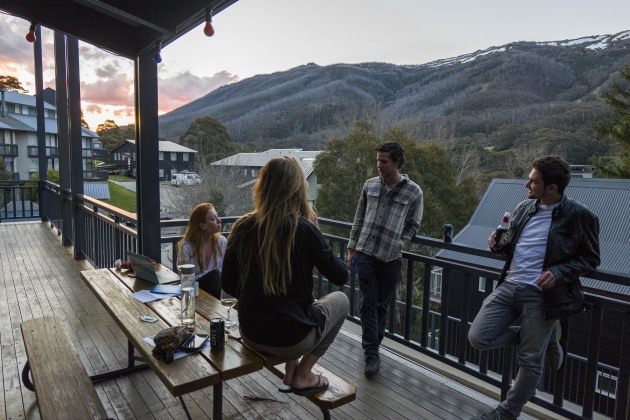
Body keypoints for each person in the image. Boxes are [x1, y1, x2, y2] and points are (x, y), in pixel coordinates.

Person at [468, 155, 600, 420]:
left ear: (553, 187)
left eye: (533, 181)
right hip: (509, 286)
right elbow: (511, 247)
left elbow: (591, 258)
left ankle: (506, 413)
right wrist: (498, 244)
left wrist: (559, 272)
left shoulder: (580, 216)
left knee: (529, 361)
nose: (526, 185)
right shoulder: (524, 208)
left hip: (541, 296)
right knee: (478, 338)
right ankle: (545, 337)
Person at [221, 156, 349, 397]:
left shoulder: (242, 227)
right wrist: (317, 234)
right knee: (341, 301)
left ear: (262, 186)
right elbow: (340, 275)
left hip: (251, 334)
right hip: (292, 340)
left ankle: (292, 372)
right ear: (296, 188)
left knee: (294, 302)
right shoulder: (304, 229)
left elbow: (228, 284)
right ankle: (303, 374)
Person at [347, 141, 424, 377]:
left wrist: (399, 242)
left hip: (390, 257)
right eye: (378, 160)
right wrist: (352, 247)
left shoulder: (413, 192)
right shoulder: (369, 185)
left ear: (397, 163)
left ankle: (374, 346)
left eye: (384, 161)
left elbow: (414, 224)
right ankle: (371, 353)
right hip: (366, 253)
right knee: (368, 302)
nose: (379, 165)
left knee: (381, 305)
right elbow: (359, 217)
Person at [177, 203, 227, 298]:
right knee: (215, 275)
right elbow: (184, 278)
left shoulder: (222, 242)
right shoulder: (186, 247)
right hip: (195, 291)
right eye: (213, 219)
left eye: (217, 216)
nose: (219, 220)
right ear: (202, 226)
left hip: (217, 293)